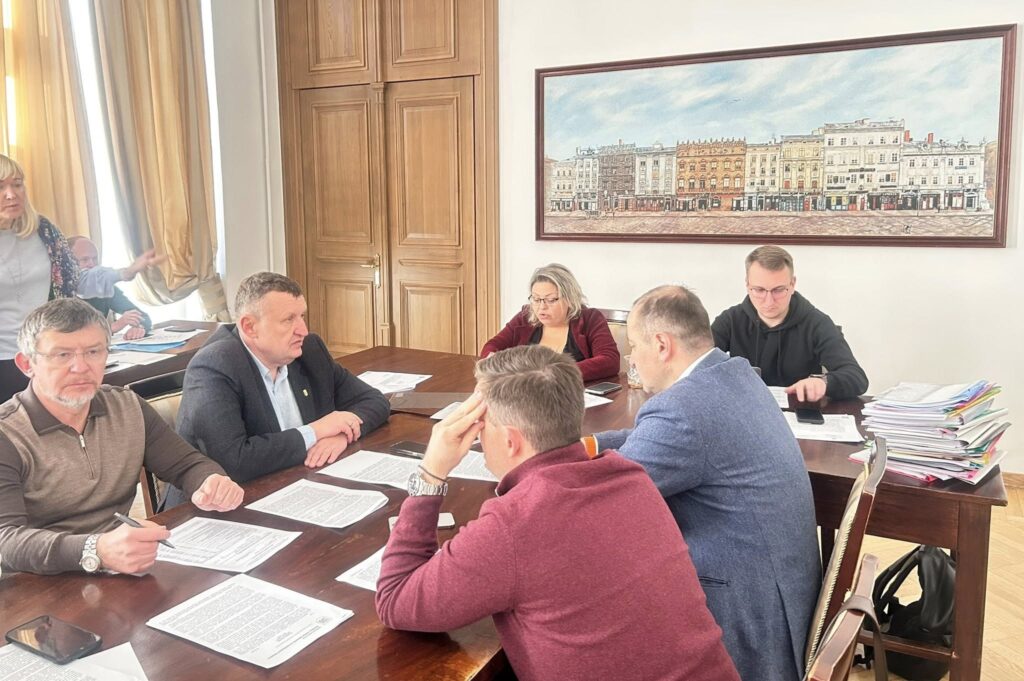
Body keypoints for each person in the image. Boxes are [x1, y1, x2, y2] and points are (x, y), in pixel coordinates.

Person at [376, 345, 739, 681]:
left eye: (481, 426)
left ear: (510, 440)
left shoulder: (513, 524)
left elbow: (394, 599)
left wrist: (432, 471)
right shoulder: (632, 477)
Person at [589, 285, 821, 681]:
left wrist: (539, 466)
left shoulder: (683, 409)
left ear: (661, 345)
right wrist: (590, 445)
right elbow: (655, 439)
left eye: (635, 347)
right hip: (781, 591)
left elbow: (607, 496)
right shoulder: (734, 374)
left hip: (746, 618)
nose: (633, 359)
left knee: (595, 590)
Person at [0, 298, 243, 575]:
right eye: (62, 355)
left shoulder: (127, 406)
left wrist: (210, 481)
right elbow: (6, 540)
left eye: (93, 351)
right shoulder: (8, 433)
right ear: (26, 364)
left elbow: (187, 465)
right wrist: (95, 549)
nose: (81, 367)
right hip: (37, 582)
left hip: (123, 568)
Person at [174, 272, 390, 492]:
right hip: (221, 503)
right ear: (249, 327)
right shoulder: (214, 366)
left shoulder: (309, 350)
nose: (303, 330)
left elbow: (374, 400)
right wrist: (316, 431)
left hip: (299, 484)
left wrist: (342, 434)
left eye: (302, 316)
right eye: (288, 320)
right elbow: (233, 461)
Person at [0, 154, 162, 401]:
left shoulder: (44, 231)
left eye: (18, 184)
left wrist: (125, 272)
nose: (11, 194)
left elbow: (75, 282)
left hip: (48, 354)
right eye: (1, 187)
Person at [711, 245, 868, 401]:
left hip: (797, 410)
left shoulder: (817, 323)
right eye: (759, 290)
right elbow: (699, 363)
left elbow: (857, 378)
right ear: (747, 285)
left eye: (778, 290)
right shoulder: (730, 320)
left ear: (792, 284)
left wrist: (823, 382)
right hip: (745, 408)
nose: (769, 301)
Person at [480, 263, 619, 381]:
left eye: (551, 300)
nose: (541, 307)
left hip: (572, 396)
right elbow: (492, 346)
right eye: (536, 299)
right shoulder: (525, 317)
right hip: (527, 394)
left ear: (570, 299)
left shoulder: (590, 319)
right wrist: (492, 360)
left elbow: (610, 360)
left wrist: (557, 373)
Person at [68, 236, 153, 341]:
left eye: (95, 259)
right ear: (68, 263)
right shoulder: (59, 291)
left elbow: (142, 316)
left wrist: (139, 327)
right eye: (85, 260)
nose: (92, 264)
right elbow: (72, 336)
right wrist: (115, 326)